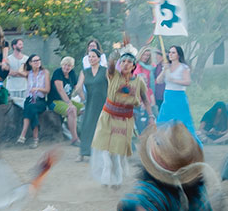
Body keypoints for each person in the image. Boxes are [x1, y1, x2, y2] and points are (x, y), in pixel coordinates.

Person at [91, 50, 154, 188]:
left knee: (118, 150)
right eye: (123, 61)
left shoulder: (139, 81)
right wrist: (114, 56)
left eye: (129, 62)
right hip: (108, 116)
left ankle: (117, 179)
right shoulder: (113, 75)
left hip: (125, 119)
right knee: (106, 147)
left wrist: (151, 116)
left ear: (134, 66)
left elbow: (145, 100)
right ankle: (106, 174)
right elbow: (110, 66)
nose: (125, 64)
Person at [77, 42, 109, 162]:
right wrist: (83, 98)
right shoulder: (84, 72)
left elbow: (112, 85)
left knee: (103, 127)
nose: (91, 59)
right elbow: (78, 87)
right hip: (90, 103)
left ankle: (104, 152)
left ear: (99, 58)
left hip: (104, 102)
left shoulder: (105, 70)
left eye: (94, 57)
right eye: (89, 57)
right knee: (87, 125)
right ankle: (83, 152)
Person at [155, 45, 196, 135]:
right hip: (168, 97)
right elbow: (158, 81)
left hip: (179, 97)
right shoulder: (167, 67)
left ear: (178, 55)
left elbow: (188, 82)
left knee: (182, 121)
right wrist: (164, 70)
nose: (170, 54)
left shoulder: (184, 67)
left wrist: (174, 80)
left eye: (173, 52)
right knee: (163, 121)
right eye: (169, 52)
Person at [17, 54, 51, 146]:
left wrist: (37, 89)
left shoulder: (45, 72)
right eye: (35, 61)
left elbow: (47, 90)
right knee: (31, 109)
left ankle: (23, 135)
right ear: (30, 63)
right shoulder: (29, 73)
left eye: (38, 60)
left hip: (40, 100)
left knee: (31, 108)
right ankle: (35, 139)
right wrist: (24, 64)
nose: (37, 62)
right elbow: (20, 71)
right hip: (29, 99)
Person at [50, 56, 81, 146]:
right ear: (62, 65)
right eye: (65, 65)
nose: (67, 67)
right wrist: (69, 103)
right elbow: (60, 90)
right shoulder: (58, 73)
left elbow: (77, 88)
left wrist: (85, 100)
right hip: (55, 101)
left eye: (69, 65)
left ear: (72, 67)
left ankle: (82, 132)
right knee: (72, 110)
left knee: (84, 109)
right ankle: (74, 139)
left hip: (67, 100)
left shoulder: (72, 73)